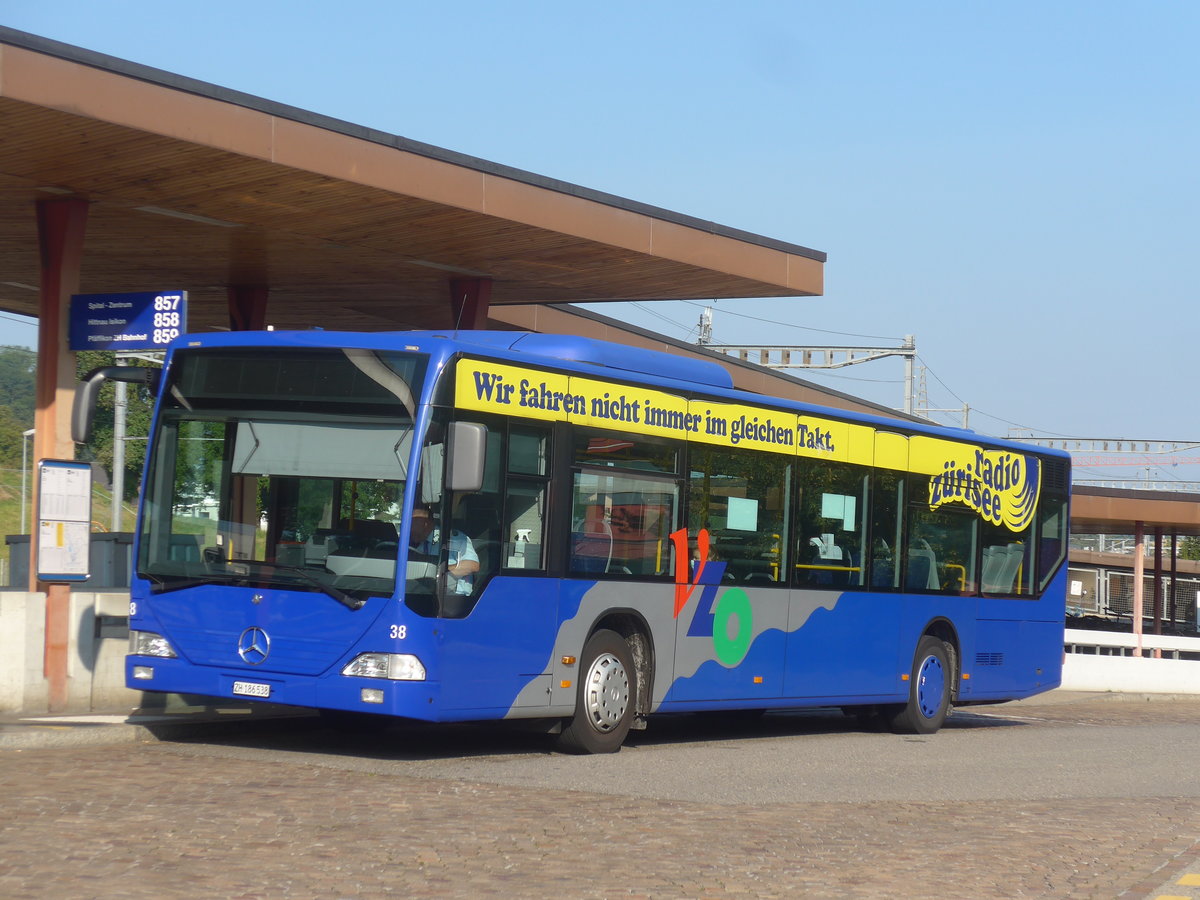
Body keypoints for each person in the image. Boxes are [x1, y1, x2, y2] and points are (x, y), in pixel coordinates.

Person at [408, 505, 479, 595]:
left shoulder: (454, 538)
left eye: (411, 523)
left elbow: (473, 565)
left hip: (455, 599)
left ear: (424, 523)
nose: (408, 528)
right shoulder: (422, 544)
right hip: (428, 594)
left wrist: (440, 571)